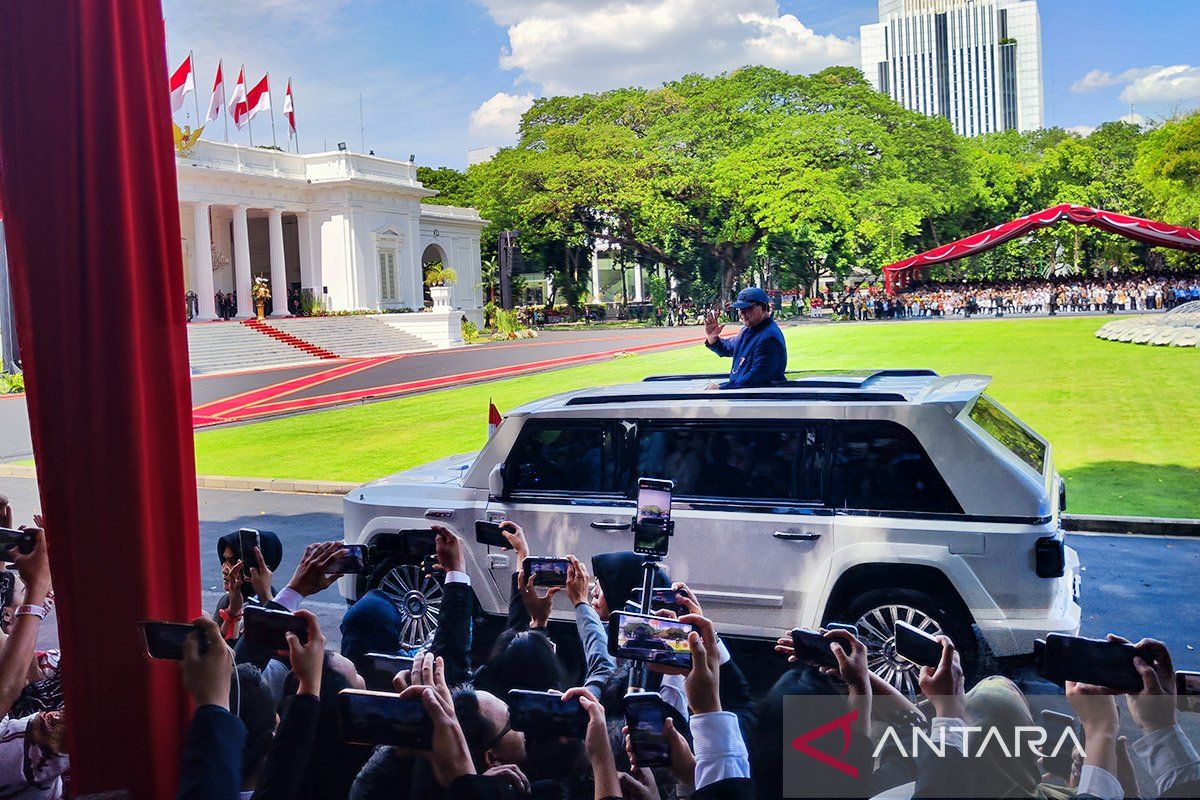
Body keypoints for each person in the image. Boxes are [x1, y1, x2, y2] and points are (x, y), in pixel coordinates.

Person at [703, 287, 787, 389]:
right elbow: (727, 347)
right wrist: (712, 337)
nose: (742, 313)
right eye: (740, 309)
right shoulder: (747, 330)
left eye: (748, 309)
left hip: (761, 402)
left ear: (764, 308)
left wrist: (720, 388)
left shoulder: (769, 338)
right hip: (746, 399)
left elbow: (755, 380)